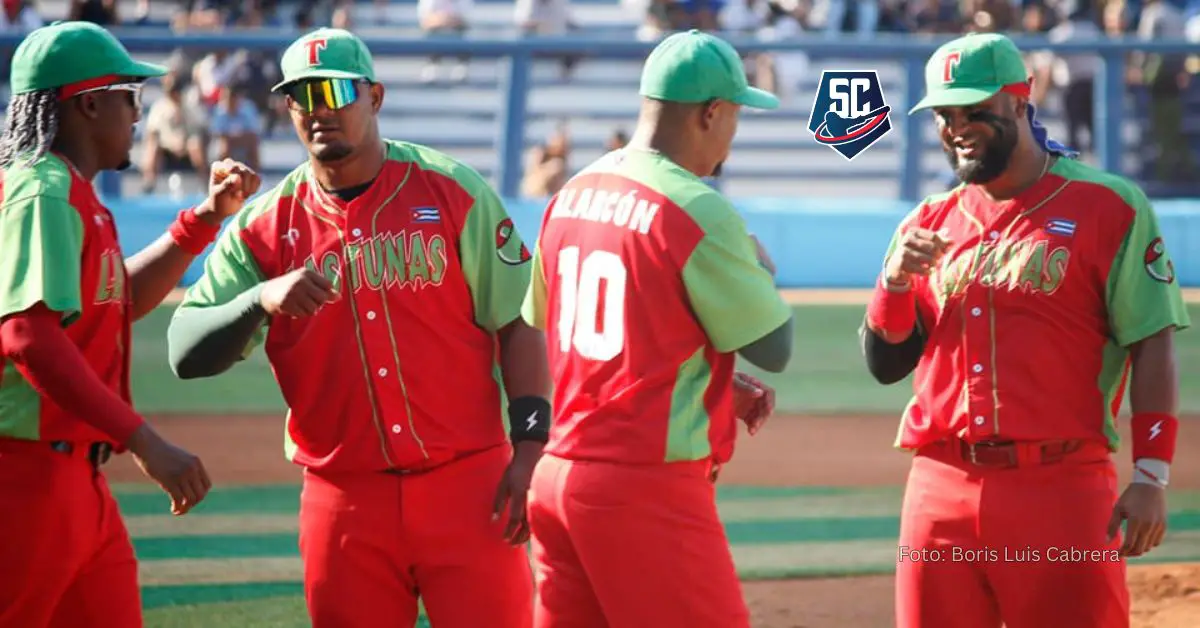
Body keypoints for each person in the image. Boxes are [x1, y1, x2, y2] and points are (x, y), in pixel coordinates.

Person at [165, 28, 549, 628]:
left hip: (470, 485)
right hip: (343, 501)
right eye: (301, 95)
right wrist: (260, 300)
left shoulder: (451, 190)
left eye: (337, 90)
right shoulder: (263, 227)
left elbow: (519, 320)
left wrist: (530, 449)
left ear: (375, 96)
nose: (320, 109)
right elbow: (185, 350)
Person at [860, 32, 1190, 628]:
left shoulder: (1109, 206)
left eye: (975, 110)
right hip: (940, 489)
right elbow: (885, 364)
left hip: (1060, 489)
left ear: (1020, 99)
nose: (957, 126)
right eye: (945, 114)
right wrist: (894, 280)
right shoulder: (929, 220)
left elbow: (1153, 341)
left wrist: (1151, 474)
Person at [521, 29, 794, 628]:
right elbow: (775, 347)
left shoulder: (572, 193)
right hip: (643, 491)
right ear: (711, 112)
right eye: (735, 117)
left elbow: (562, 334)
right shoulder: (697, 206)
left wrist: (709, 381)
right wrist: (758, 265)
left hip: (559, 475)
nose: (733, 134)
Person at [0, 21, 259, 627]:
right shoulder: (41, 192)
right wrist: (144, 440)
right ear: (88, 103)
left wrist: (202, 221)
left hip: (74, 481)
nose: (138, 115)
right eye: (128, 97)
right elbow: (27, 336)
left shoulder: (72, 193)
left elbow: (117, 301)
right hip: (24, 477)